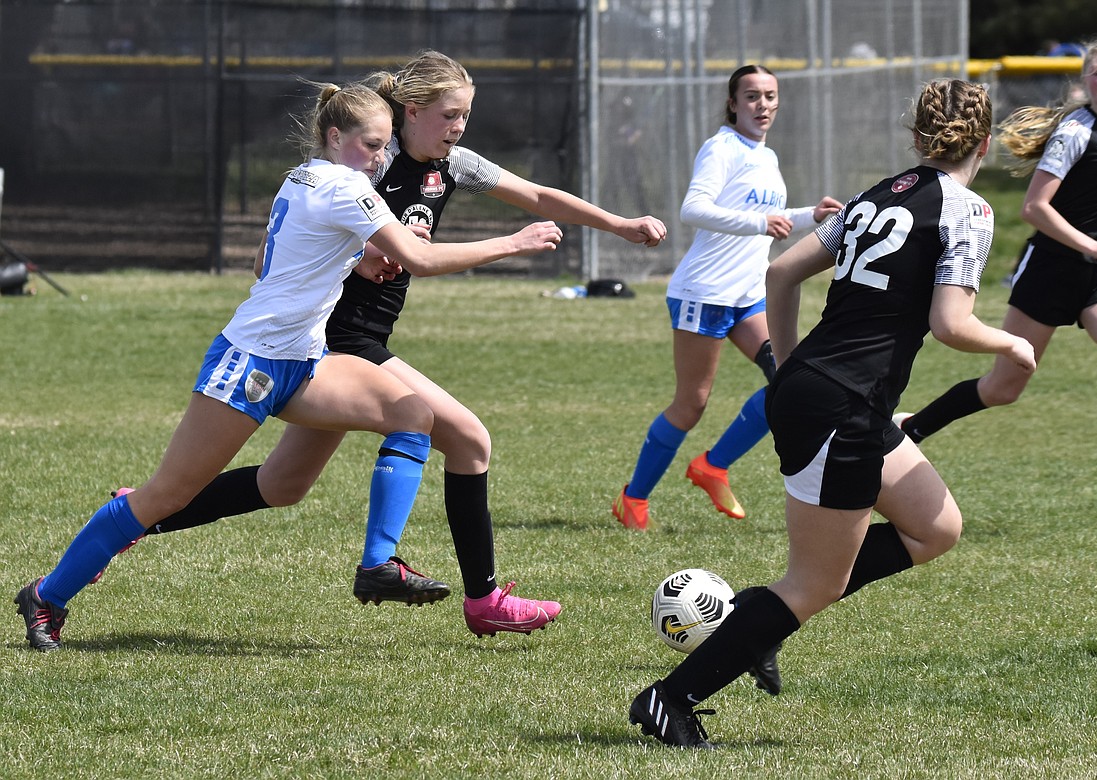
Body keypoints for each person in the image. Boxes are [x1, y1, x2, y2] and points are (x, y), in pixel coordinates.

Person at [93, 51, 667, 638]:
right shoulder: (370, 159)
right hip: (335, 342)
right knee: (469, 439)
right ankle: (482, 599)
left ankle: (139, 513)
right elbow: (284, 248)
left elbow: (539, 196)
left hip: (360, 340)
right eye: (449, 115)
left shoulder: (453, 164)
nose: (459, 128)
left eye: (465, 115)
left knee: (283, 486)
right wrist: (368, 256)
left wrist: (619, 225)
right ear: (411, 112)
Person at [13, 80, 562, 652]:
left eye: (383, 147)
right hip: (249, 359)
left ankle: (379, 563)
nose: (380, 158)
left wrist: (361, 256)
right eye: (372, 146)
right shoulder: (349, 188)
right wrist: (514, 242)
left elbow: (264, 260)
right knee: (164, 497)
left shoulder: (304, 177)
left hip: (305, 359)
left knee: (410, 413)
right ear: (334, 136)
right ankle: (47, 597)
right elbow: (419, 258)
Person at [628, 77, 1036, 748]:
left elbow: (781, 274)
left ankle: (764, 620)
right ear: (985, 145)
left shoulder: (879, 193)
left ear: (916, 138)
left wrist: (786, 370)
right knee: (813, 584)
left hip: (837, 394)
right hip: (841, 403)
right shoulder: (971, 210)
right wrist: (1012, 341)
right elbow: (951, 321)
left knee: (936, 528)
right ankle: (670, 699)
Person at [895, 38, 1097, 531]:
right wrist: (1092, 243)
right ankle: (910, 428)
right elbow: (1034, 208)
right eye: (1096, 72)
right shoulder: (1076, 132)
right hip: (1051, 271)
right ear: (1086, 82)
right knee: (1003, 388)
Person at [612, 63, 842, 531]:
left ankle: (713, 466)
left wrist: (807, 214)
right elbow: (693, 209)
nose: (763, 106)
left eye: (771, 97)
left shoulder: (767, 155)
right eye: (753, 97)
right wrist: (762, 223)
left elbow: (768, 216)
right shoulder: (721, 148)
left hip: (747, 295)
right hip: (705, 292)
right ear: (733, 103)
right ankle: (632, 500)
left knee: (788, 381)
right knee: (691, 404)